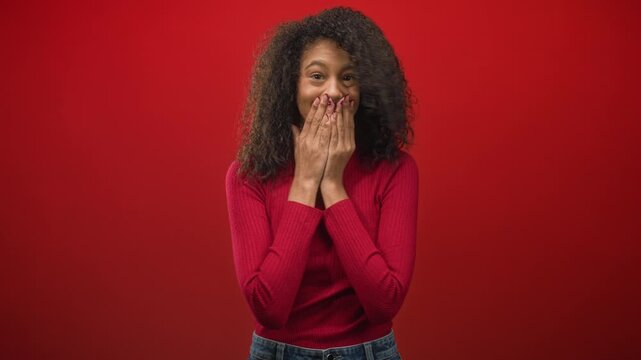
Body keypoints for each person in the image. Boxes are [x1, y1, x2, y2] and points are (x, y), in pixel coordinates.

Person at [225, 7, 418, 360]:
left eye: (348, 77)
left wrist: (331, 184)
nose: (333, 91)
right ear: (290, 84)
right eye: (317, 76)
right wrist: (306, 179)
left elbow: (384, 303)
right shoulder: (247, 176)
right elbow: (268, 308)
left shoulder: (396, 170)